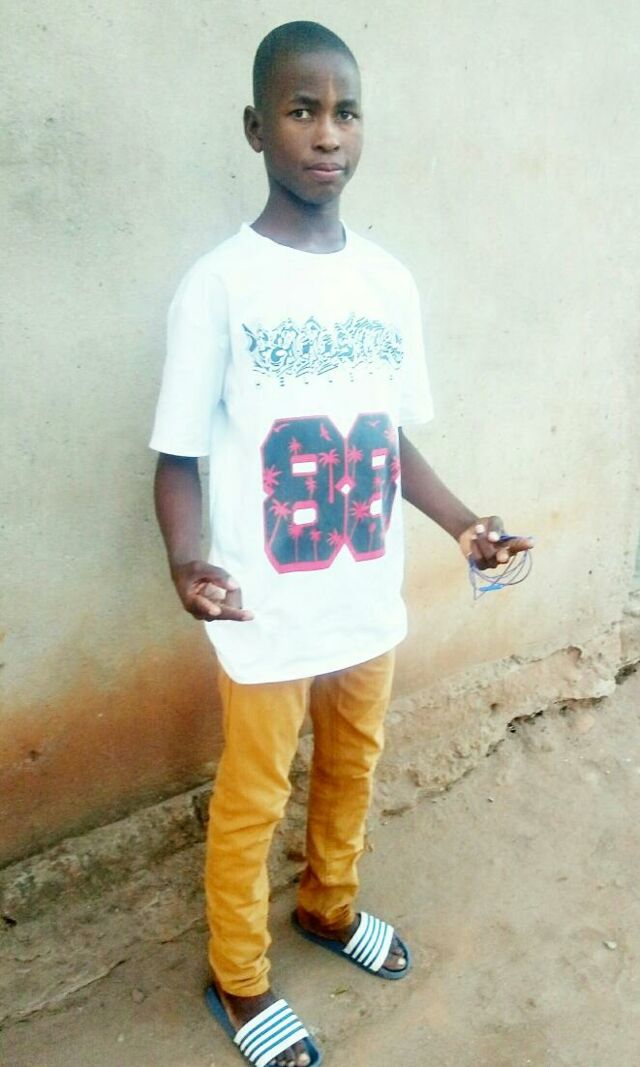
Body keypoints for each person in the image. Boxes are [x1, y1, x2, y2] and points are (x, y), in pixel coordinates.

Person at [150, 20, 533, 1067]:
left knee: (353, 764)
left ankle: (329, 902)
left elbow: (385, 437)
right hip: (267, 607)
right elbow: (178, 455)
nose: (327, 134)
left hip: (364, 595)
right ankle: (239, 975)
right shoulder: (220, 286)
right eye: (301, 110)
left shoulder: (386, 283)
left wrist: (462, 522)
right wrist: (187, 562)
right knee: (254, 794)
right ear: (256, 128)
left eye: (346, 112)